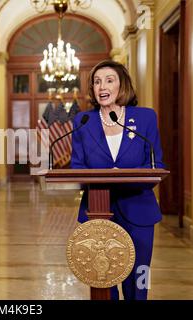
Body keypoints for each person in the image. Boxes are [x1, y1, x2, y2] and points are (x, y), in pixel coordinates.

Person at [70, 60, 165, 300]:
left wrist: (118, 178)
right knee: (103, 281)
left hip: (140, 211)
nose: (102, 86)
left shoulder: (145, 118)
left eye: (109, 80)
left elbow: (155, 165)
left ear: (122, 85)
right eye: (97, 81)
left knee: (139, 279)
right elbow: (77, 167)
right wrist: (106, 178)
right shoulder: (83, 122)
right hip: (97, 213)